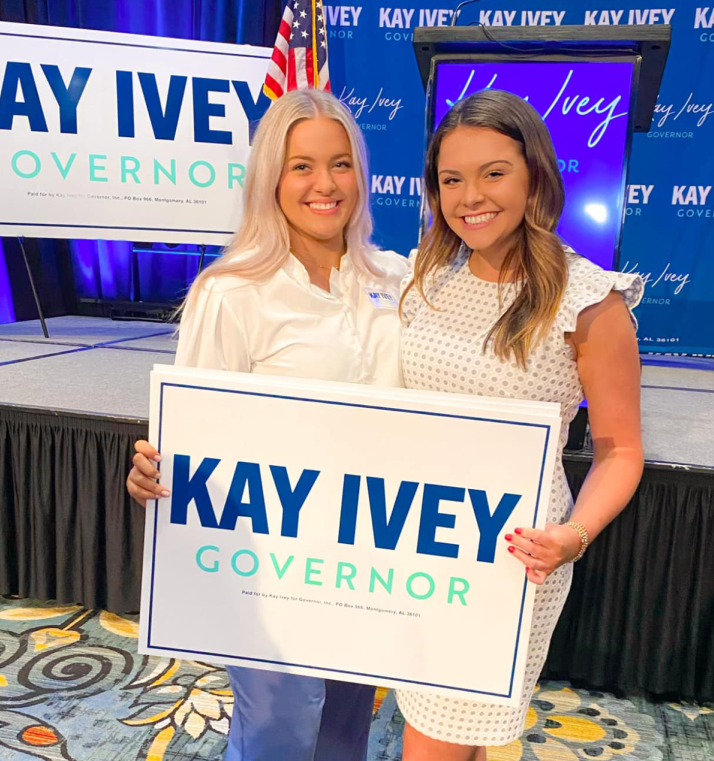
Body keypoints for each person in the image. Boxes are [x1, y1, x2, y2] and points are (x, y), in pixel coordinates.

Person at [126, 88, 407, 761]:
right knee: (282, 724)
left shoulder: (400, 277)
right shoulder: (232, 290)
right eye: (301, 165)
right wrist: (158, 469)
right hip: (269, 557)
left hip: (370, 550)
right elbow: (193, 431)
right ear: (270, 177)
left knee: (345, 725)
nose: (325, 183)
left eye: (340, 164)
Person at [395, 89, 645, 761]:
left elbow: (620, 450)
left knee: (433, 742)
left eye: (493, 173)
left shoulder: (589, 301)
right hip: (414, 544)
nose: (470, 195)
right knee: (454, 734)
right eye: (451, 179)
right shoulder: (425, 279)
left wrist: (573, 535)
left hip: (509, 561)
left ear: (534, 174)